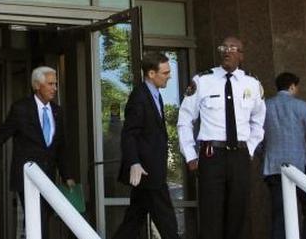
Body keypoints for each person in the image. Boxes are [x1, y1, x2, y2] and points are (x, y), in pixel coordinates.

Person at [0, 66, 74, 238]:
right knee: (37, 218)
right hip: (27, 177)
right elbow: (1, 135)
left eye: (56, 84)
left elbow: (61, 148)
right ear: (37, 85)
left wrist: (67, 176)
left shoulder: (57, 111)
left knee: (42, 217)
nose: (55, 88)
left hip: (48, 177)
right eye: (50, 84)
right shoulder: (21, 108)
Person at [178, 35, 265, 239]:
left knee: (238, 215)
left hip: (240, 156)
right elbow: (184, 119)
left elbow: (259, 121)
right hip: (211, 156)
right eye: (224, 47)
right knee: (211, 216)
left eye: (233, 48)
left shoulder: (252, 84)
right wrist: (190, 155)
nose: (227, 51)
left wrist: (250, 149)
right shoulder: (203, 81)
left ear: (241, 56)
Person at [112, 52, 181, 239]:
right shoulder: (139, 97)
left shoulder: (155, 95)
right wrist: (134, 162)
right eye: (165, 73)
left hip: (151, 171)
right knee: (167, 222)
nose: (169, 76)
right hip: (148, 172)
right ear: (151, 74)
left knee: (133, 220)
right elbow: (129, 134)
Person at [262, 72, 306, 239]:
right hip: (302, 166)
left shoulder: (265, 106)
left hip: (273, 168)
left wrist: (268, 156)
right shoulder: (302, 106)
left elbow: (258, 139)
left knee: (280, 214)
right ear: (292, 86)